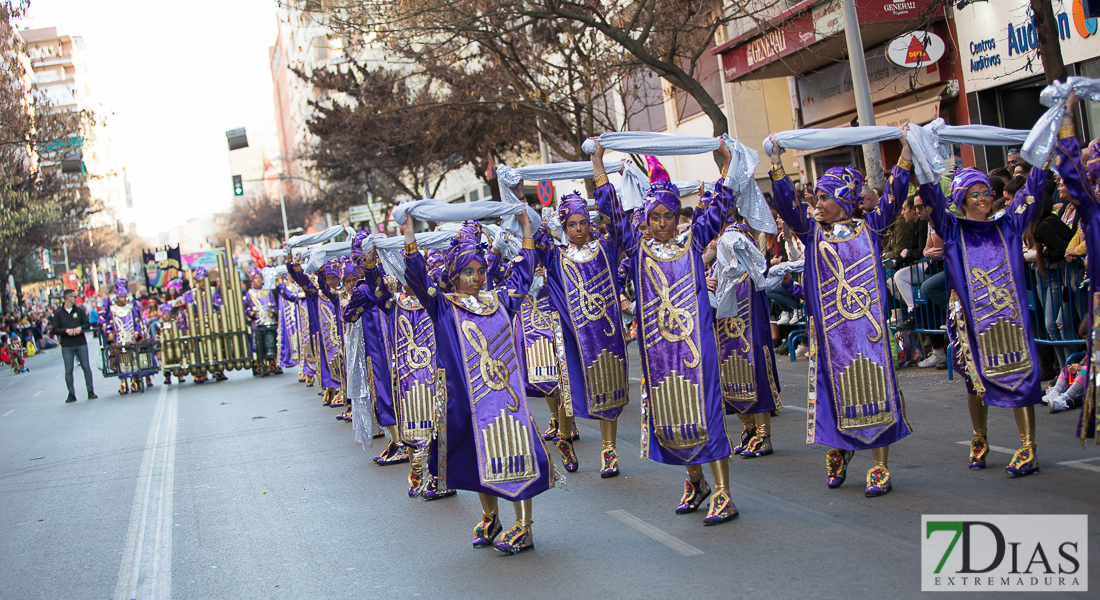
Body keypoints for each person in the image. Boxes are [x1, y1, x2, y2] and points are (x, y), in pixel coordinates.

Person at [592, 140, 740, 524]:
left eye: (669, 216)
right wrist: (597, 162)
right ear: (645, 218)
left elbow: (721, 206)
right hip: (658, 352)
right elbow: (609, 207)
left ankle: (723, 492)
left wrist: (725, 163)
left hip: (697, 343)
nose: (661, 223)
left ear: (678, 217)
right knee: (672, 416)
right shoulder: (637, 248)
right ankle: (696, 482)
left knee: (706, 412)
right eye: (654, 216)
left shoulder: (692, 241)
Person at [767, 128, 914, 497]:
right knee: (835, 396)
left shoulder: (871, 228)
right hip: (830, 335)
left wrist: (908, 151)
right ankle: (841, 447)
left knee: (876, 392)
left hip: (869, 331)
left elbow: (895, 195)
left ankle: (879, 467)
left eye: (823, 197)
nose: (816, 203)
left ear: (844, 200)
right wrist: (775, 162)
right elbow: (787, 205)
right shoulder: (813, 233)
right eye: (815, 197)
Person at [402, 211, 551, 555]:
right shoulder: (442, 306)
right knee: (478, 460)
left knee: (516, 457)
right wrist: (409, 235)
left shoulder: (499, 301)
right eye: (469, 272)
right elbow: (416, 277)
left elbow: (524, 275)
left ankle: (524, 527)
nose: (477, 278)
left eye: (481, 271)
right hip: (468, 404)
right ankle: (490, 516)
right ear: (454, 275)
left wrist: (527, 229)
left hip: (506, 402)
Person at [914, 139, 1049, 477]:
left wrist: (1044, 152)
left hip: (1008, 318)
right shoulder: (952, 229)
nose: (984, 198)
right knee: (974, 381)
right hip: (971, 320)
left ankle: (1028, 446)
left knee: (1019, 377)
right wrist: (916, 150)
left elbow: (1032, 192)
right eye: (975, 194)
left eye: (987, 192)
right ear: (961, 201)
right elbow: (930, 198)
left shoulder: (1009, 224)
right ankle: (979, 437)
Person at [534, 191, 631, 478]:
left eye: (582, 222)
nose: (578, 229)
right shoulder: (556, 256)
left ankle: (609, 451)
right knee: (571, 391)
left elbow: (618, 225)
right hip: (573, 338)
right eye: (571, 225)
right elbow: (538, 243)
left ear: (590, 223)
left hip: (605, 335)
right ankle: (564, 436)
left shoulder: (605, 249)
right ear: (564, 229)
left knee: (608, 391)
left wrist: (605, 196)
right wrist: (545, 223)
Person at [49, 289, 96, 403]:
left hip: (80, 341)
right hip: (67, 344)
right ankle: (71, 393)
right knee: (69, 369)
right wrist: (66, 331)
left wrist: (80, 328)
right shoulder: (59, 313)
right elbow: (55, 329)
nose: (76, 298)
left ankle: (90, 391)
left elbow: (87, 324)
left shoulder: (79, 311)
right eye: (74, 296)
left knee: (86, 366)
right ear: (68, 298)